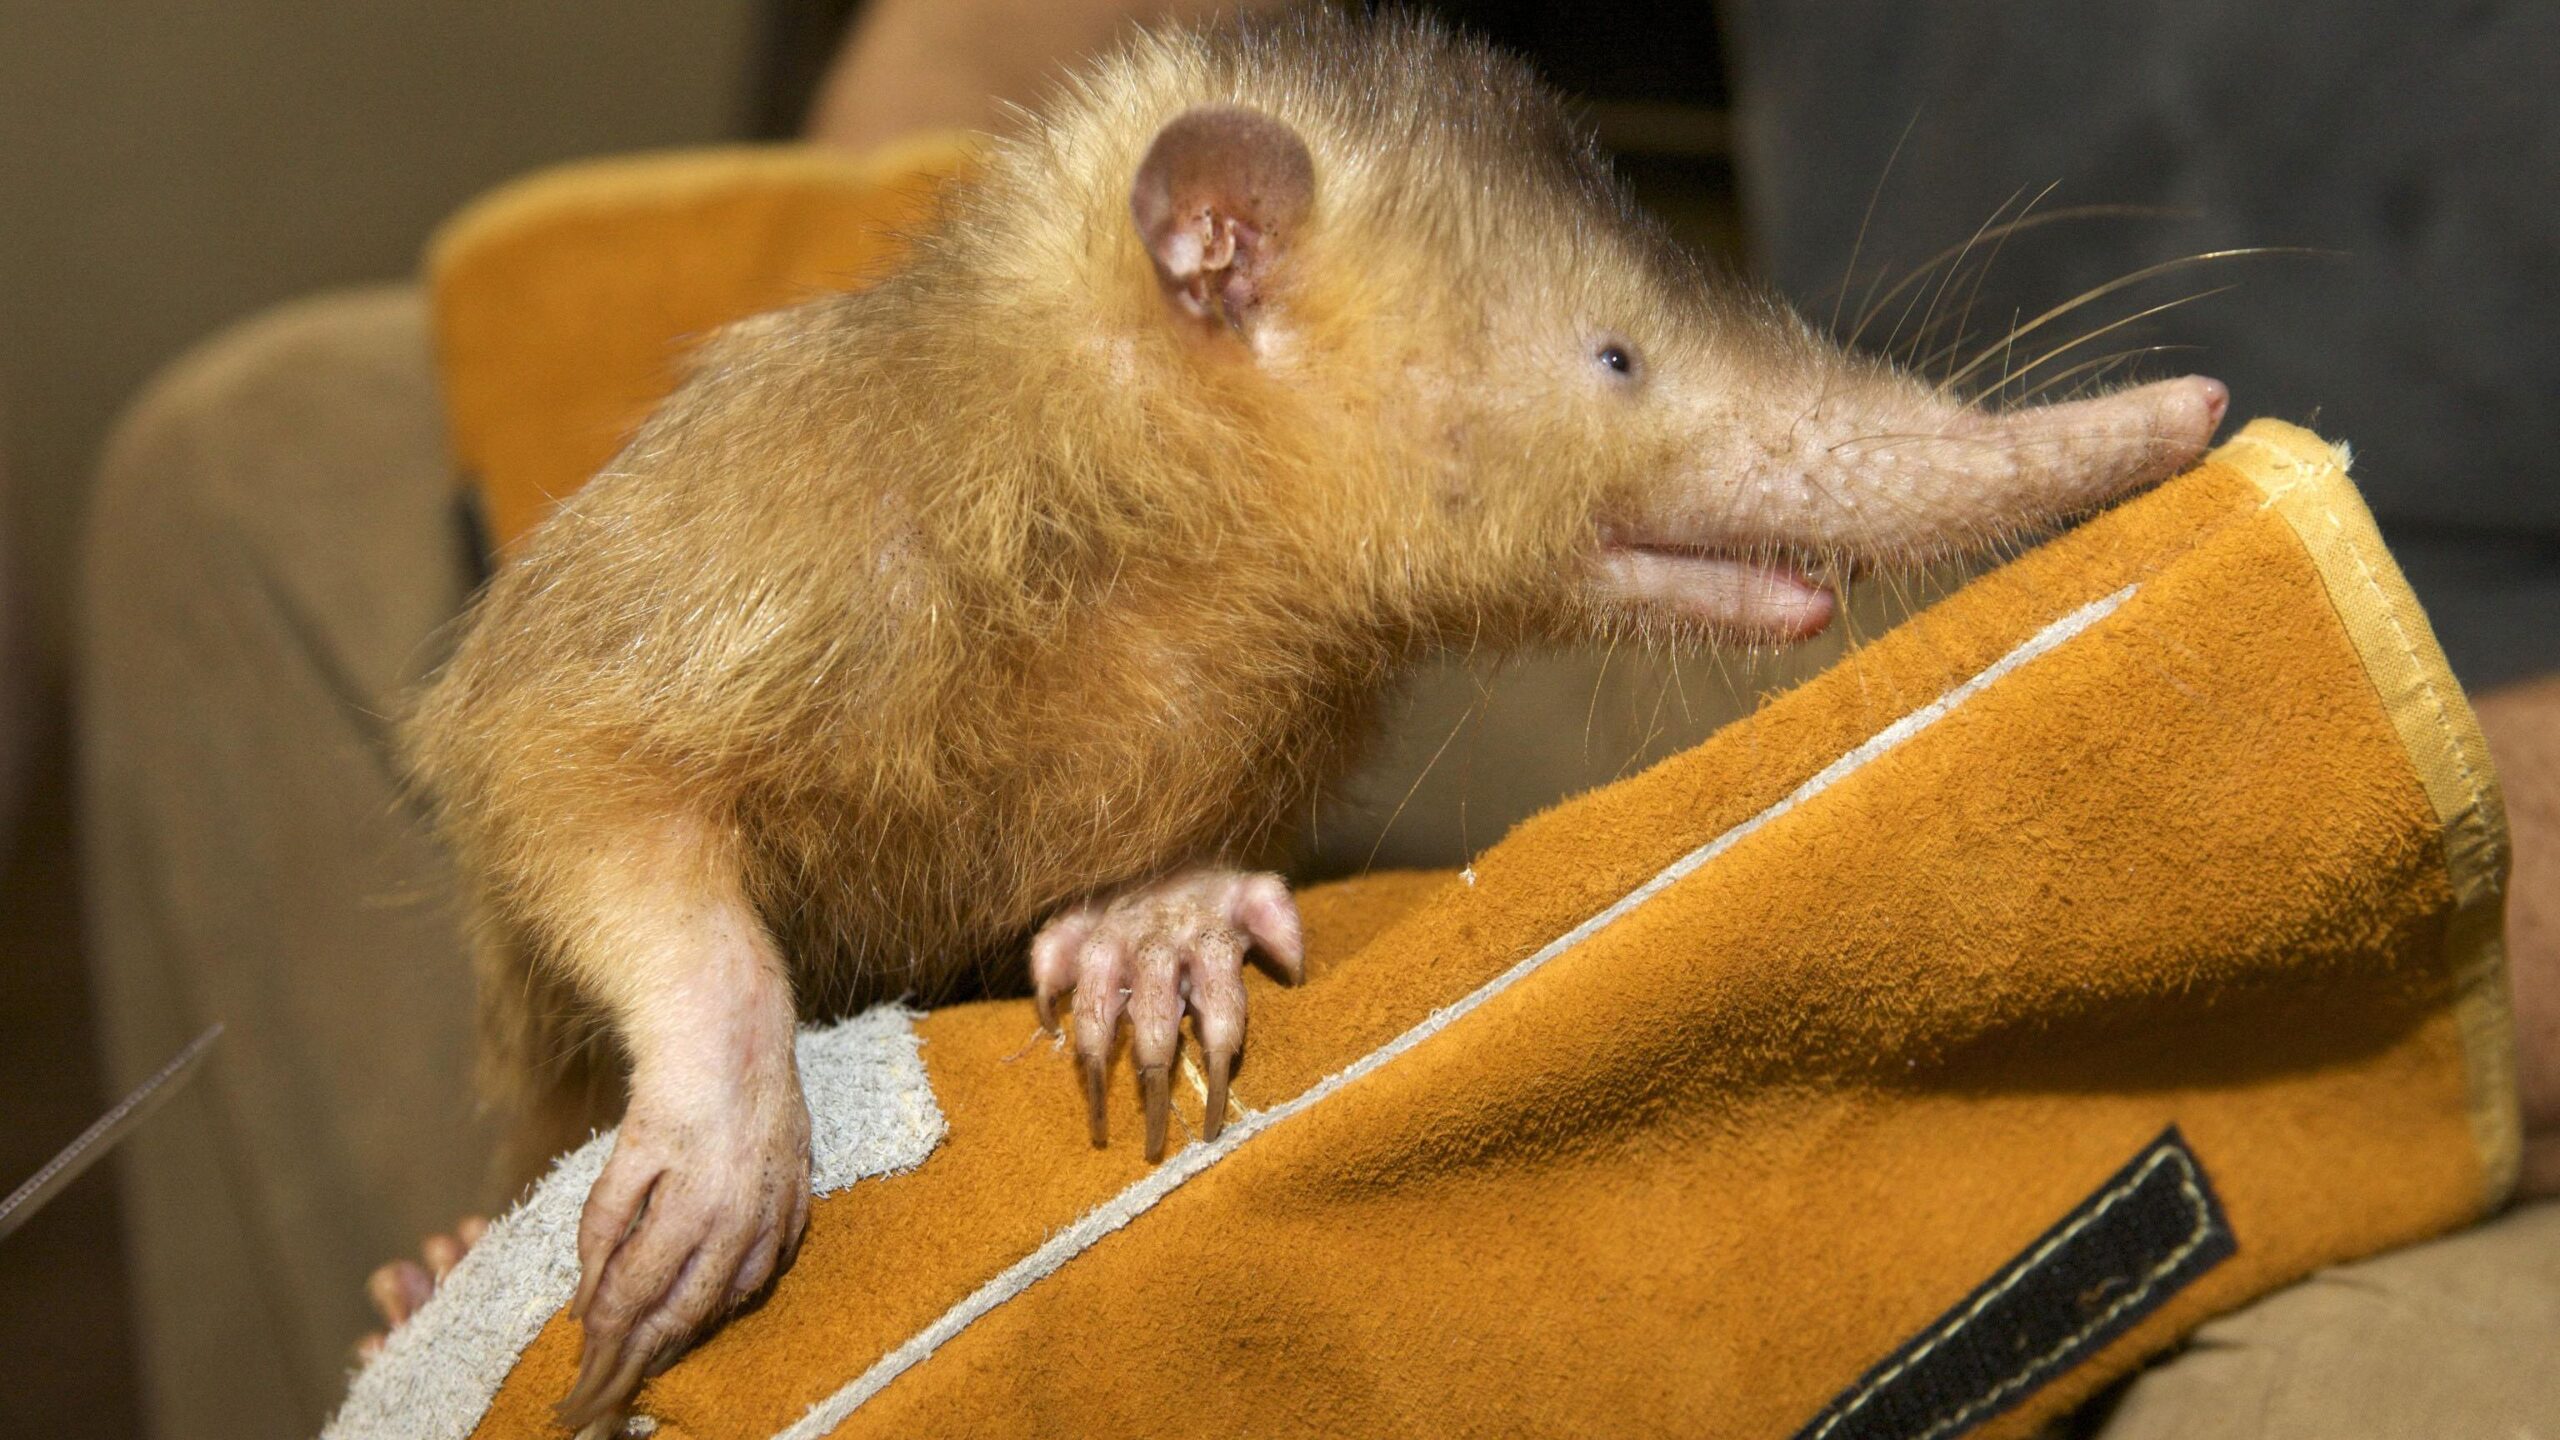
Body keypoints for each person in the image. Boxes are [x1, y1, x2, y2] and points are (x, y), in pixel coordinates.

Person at [78, 3, 2557, 1436]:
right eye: (1611, 373)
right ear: (1215, 256)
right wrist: (708, 1042)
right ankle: (518, 1237)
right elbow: (568, 735)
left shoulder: (1292, 587)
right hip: (988, 657)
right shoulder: (1149, 447)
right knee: (259, 462)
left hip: (2466, 690)